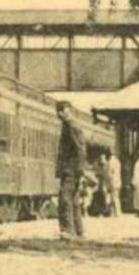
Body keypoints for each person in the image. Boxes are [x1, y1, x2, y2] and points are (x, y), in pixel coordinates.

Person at [55, 102, 86, 239]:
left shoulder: (70, 125)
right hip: (73, 169)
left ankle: (68, 230)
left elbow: (80, 148)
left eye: (60, 111)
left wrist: (79, 169)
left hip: (71, 169)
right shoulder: (71, 124)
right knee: (74, 200)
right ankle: (78, 230)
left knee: (65, 199)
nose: (58, 114)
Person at [104, 148, 123, 219]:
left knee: (113, 197)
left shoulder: (110, 162)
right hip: (118, 181)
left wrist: (108, 183)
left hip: (112, 181)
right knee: (116, 197)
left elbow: (110, 173)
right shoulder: (117, 161)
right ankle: (115, 212)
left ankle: (115, 213)